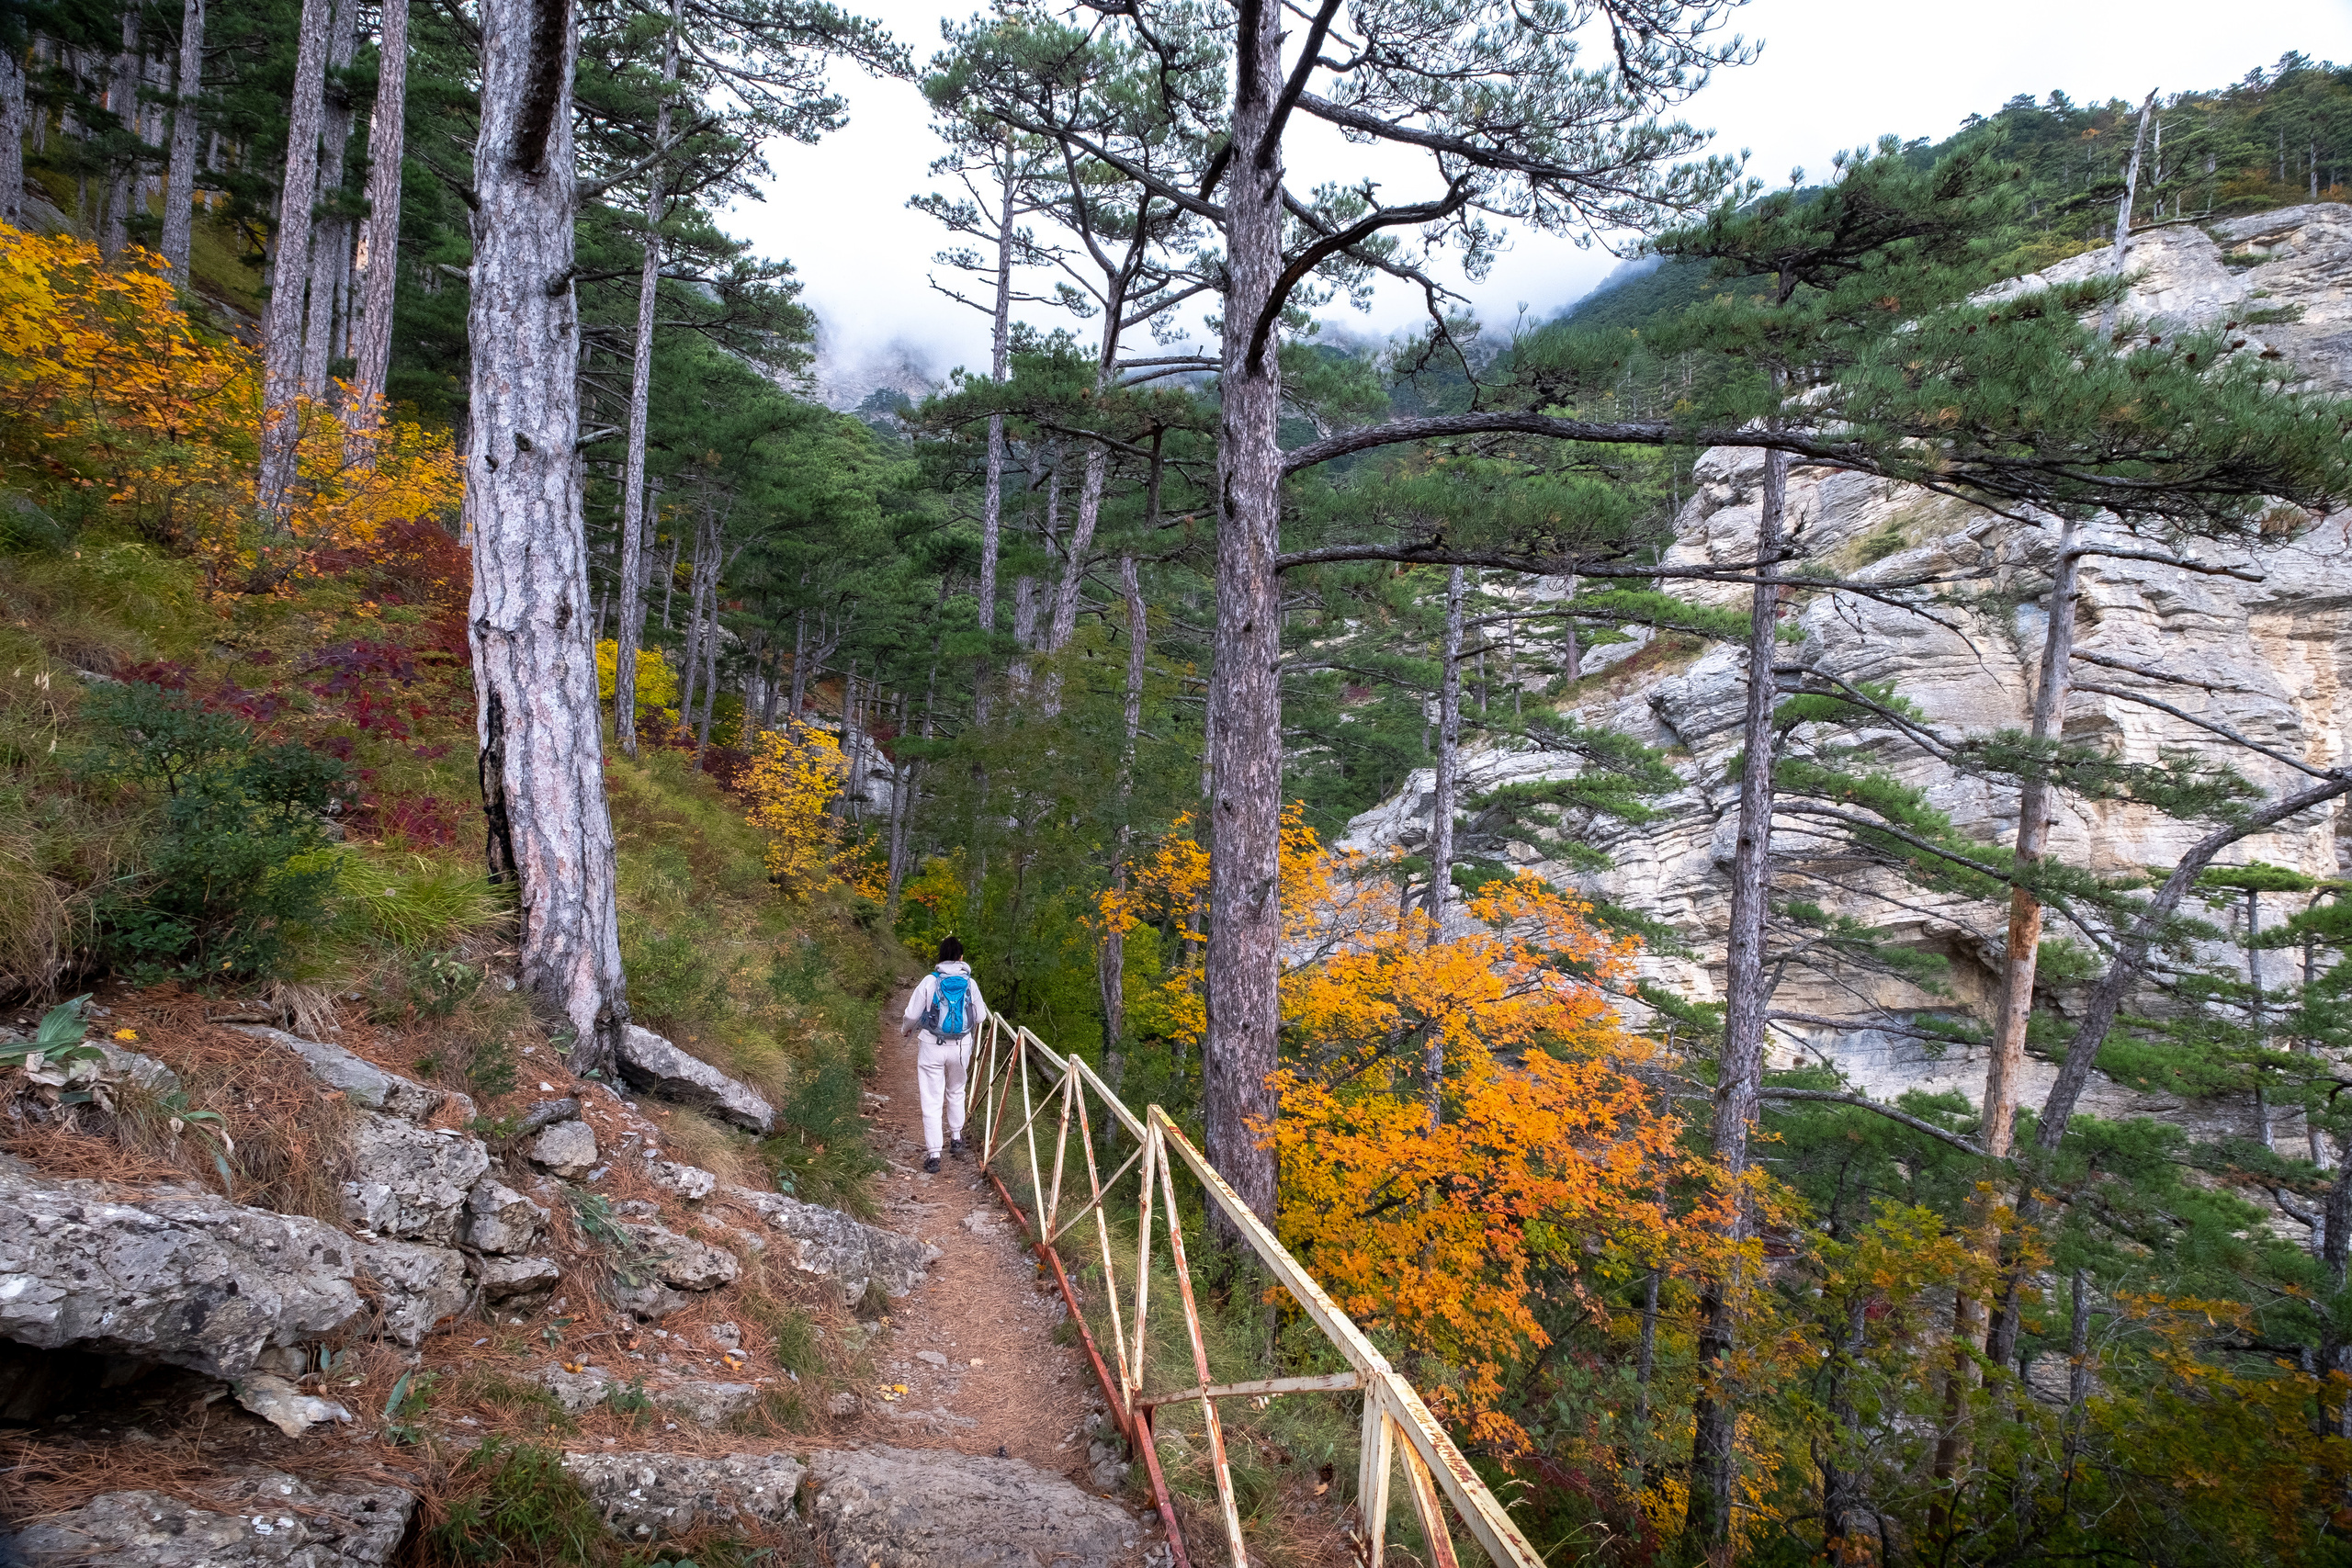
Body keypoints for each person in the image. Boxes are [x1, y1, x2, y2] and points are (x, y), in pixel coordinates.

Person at [900, 936, 989, 1175]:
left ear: (940, 957)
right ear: (961, 957)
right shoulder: (970, 984)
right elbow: (980, 1017)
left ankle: (934, 1154)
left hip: (931, 1045)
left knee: (932, 1098)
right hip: (961, 1046)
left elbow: (911, 1014)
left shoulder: (930, 981)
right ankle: (957, 1138)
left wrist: (905, 1028)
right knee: (956, 1091)